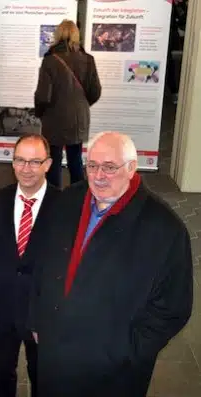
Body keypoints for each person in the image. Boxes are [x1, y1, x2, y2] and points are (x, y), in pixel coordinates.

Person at [29, 131, 193, 396]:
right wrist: (37, 320)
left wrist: (126, 351)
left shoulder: (165, 230)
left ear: (131, 168)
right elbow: (40, 264)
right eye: (92, 166)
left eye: (109, 167)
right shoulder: (67, 201)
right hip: (54, 358)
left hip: (112, 373)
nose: (98, 176)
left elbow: (173, 308)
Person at [0, 133, 58, 397]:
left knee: (42, 375)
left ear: (48, 164)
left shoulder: (64, 205)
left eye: (35, 162)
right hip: (1, 304)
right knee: (0, 374)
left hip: (42, 309)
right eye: (20, 160)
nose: (26, 169)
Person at [34, 19, 101, 189]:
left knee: (53, 161)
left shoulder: (50, 60)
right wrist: (81, 105)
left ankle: (54, 198)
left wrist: (40, 113)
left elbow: (43, 96)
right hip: (78, 118)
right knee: (75, 159)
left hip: (54, 117)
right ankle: (77, 199)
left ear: (58, 35)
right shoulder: (88, 59)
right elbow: (95, 91)